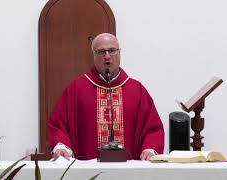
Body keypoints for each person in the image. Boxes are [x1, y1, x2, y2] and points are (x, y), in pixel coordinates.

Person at [48, 33, 164, 161]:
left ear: (119, 53)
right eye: (101, 51)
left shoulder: (137, 90)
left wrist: (149, 149)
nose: (107, 56)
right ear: (93, 55)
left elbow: (152, 128)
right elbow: (59, 125)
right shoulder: (76, 89)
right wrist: (62, 147)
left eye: (112, 50)